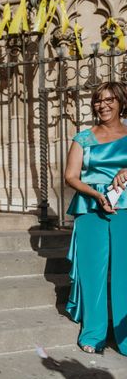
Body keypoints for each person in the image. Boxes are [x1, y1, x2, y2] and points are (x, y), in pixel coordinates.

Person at [64, 81, 127, 355]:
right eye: (99, 101)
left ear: (121, 102)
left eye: (110, 99)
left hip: (125, 208)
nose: (103, 105)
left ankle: (125, 337)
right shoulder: (84, 138)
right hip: (91, 208)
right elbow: (70, 176)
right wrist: (96, 193)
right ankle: (93, 333)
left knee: (126, 274)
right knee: (93, 274)